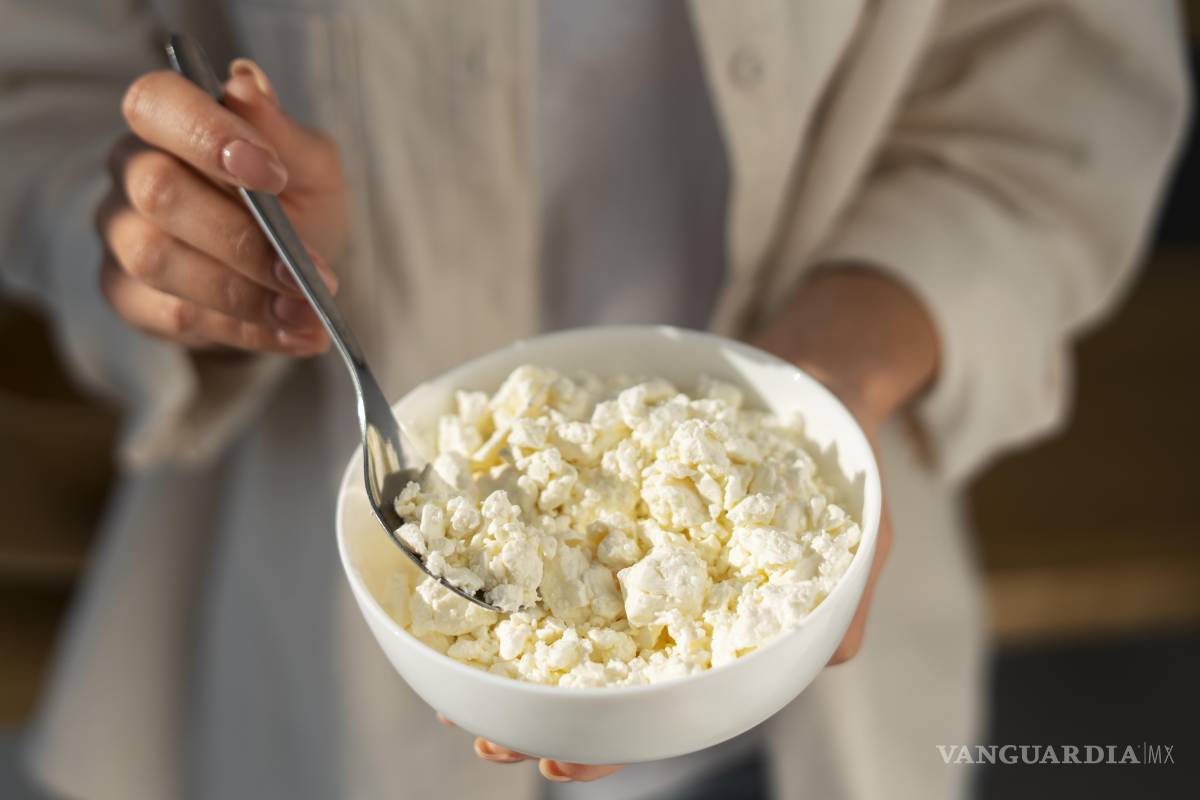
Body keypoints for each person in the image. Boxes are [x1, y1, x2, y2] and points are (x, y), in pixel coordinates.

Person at [0, 1, 1188, 798]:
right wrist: (183, 240)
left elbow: (1053, 109)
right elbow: (40, 77)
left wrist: (834, 367)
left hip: (804, 711)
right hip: (313, 672)